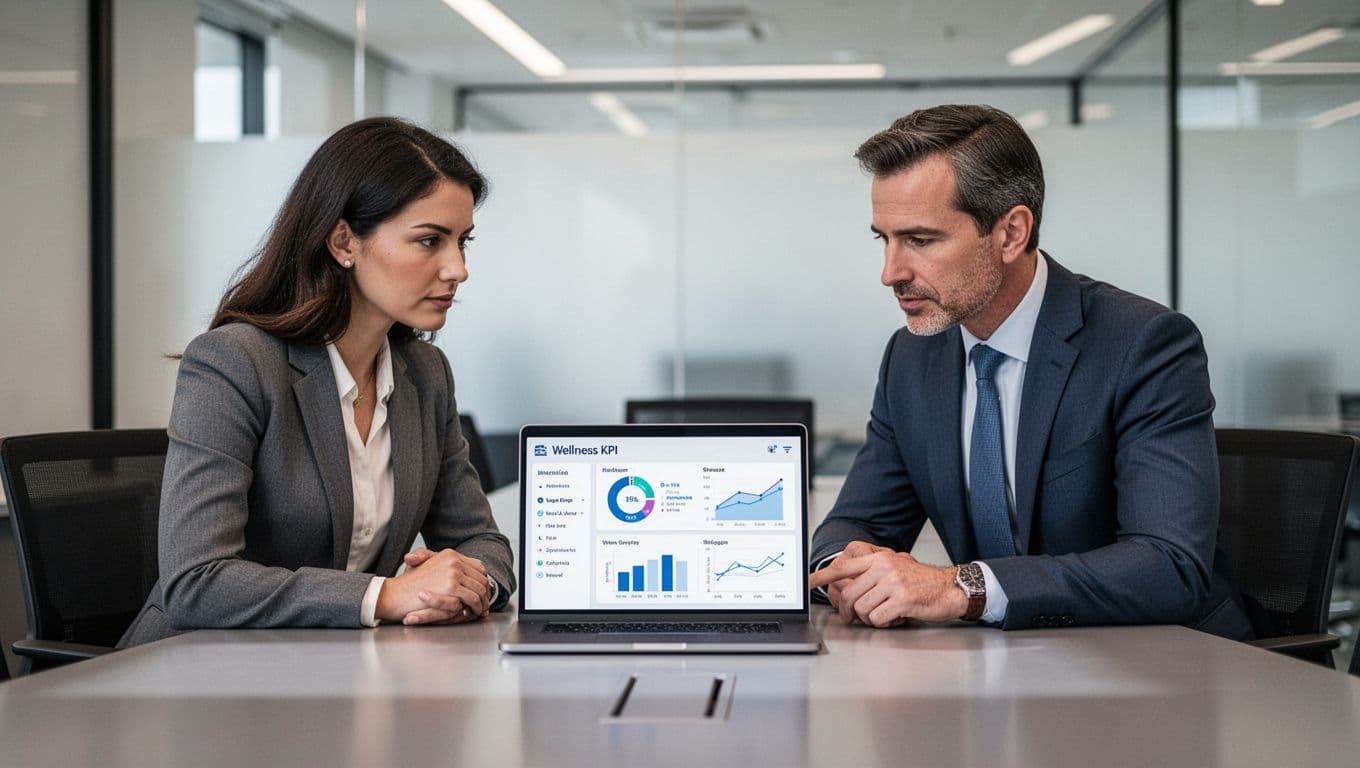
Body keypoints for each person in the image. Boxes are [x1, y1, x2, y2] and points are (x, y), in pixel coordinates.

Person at [808, 104, 1251, 639]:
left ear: (1011, 233)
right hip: (1005, 671)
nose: (891, 273)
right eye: (885, 239)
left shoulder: (1142, 344)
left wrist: (960, 588)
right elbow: (858, 524)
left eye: (921, 241)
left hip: (1163, 666)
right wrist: (847, 569)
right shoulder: (912, 357)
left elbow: (1168, 566)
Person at [120, 118, 515, 646]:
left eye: (462, 241)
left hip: (335, 665)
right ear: (343, 241)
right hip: (198, 673)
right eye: (429, 241)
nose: (458, 268)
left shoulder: (424, 375)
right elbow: (196, 582)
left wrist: (474, 584)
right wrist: (386, 595)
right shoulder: (234, 363)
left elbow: (479, 540)